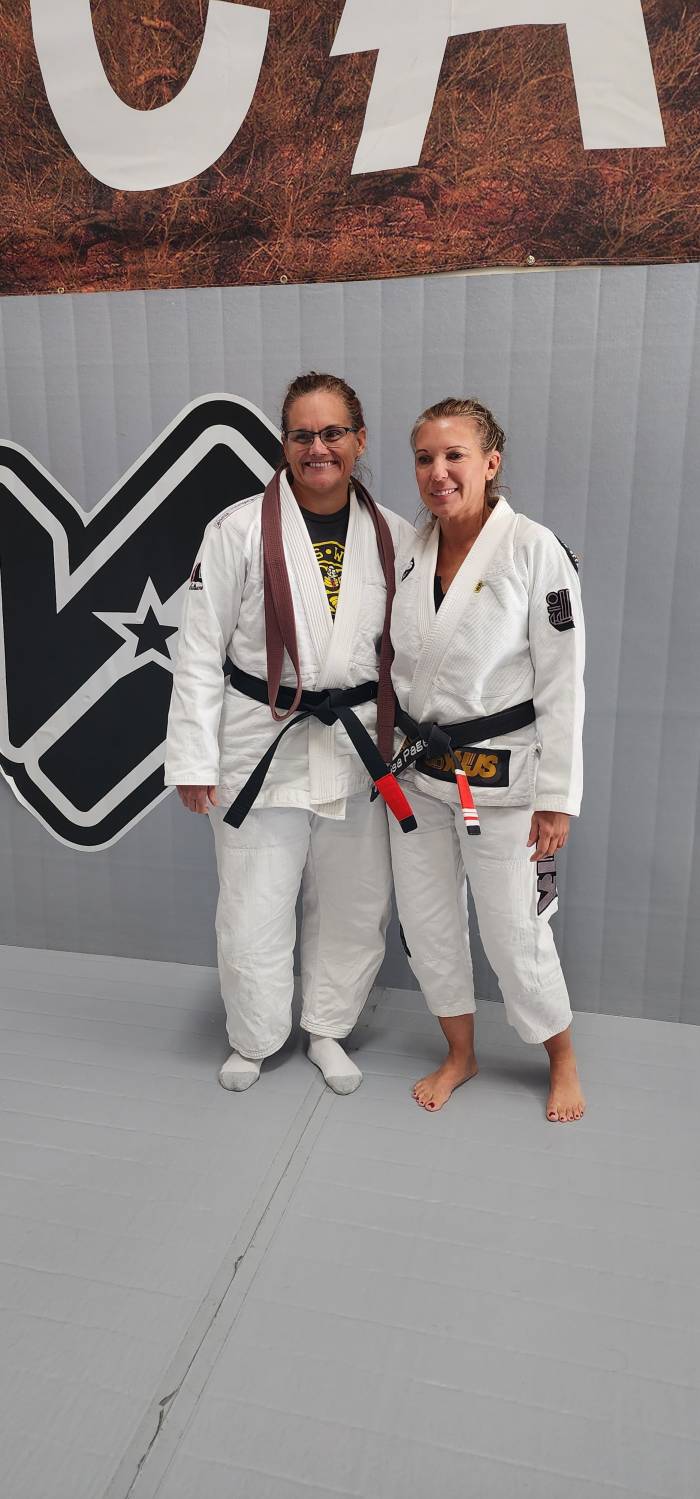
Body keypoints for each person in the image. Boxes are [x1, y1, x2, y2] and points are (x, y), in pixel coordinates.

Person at [164, 372, 416, 1094]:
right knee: (252, 905)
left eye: (333, 432)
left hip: (357, 746)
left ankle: (327, 1028)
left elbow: (415, 652)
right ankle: (254, 1035)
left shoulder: (396, 535)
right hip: (258, 743)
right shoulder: (236, 529)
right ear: (284, 443)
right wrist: (193, 757)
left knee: (354, 903)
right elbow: (198, 650)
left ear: (359, 440)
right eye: (302, 435)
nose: (318, 448)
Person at [388, 397, 586, 1122]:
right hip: (418, 772)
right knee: (428, 922)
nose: (438, 472)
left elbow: (563, 682)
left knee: (514, 930)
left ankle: (561, 1060)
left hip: (500, 776)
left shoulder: (534, 549)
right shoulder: (410, 549)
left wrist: (556, 796)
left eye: (455, 456)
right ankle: (460, 1053)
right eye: (424, 458)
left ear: (491, 462)